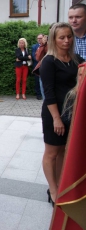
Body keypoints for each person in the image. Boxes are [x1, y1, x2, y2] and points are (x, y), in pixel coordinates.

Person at [39, 22, 83, 207]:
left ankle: (60, 185)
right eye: (61, 37)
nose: (66, 40)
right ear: (54, 40)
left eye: (69, 36)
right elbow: (48, 92)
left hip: (71, 112)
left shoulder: (76, 58)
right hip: (53, 113)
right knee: (51, 152)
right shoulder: (49, 61)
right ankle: (53, 189)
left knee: (63, 151)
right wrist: (56, 118)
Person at [50, 63, 86, 230]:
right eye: (79, 76)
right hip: (64, 125)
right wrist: (57, 120)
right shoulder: (73, 95)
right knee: (54, 154)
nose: (81, 78)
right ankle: (54, 189)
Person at [31, 34, 43, 100]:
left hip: (44, 65)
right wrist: (39, 60)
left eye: (40, 38)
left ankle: (43, 93)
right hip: (36, 66)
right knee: (37, 81)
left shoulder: (46, 46)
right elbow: (33, 56)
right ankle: (38, 94)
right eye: (38, 38)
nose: (39, 39)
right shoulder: (34, 46)